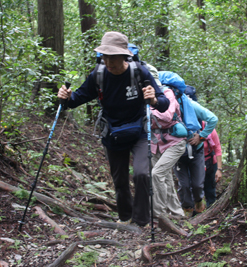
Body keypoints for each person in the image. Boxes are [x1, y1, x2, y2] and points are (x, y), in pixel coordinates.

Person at [57, 32, 169, 227]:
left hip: (139, 132)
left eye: (113, 56)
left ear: (124, 56)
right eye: (104, 56)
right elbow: (75, 100)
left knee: (142, 174)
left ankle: (142, 220)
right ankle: (125, 217)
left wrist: (153, 99)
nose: (108, 61)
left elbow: (164, 103)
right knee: (120, 180)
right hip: (113, 134)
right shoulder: (98, 75)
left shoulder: (139, 73)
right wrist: (65, 97)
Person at [146, 64, 185, 218]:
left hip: (175, 142)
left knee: (156, 174)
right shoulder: (141, 94)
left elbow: (167, 116)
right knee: (166, 178)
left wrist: (148, 109)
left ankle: (158, 213)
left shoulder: (167, 93)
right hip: (156, 144)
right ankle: (177, 213)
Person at [174, 90, 218, 217]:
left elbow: (213, 119)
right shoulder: (166, 106)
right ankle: (187, 209)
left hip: (196, 150)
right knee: (184, 185)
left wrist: (202, 136)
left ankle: (198, 200)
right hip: (177, 152)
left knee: (198, 184)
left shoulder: (191, 105)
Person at [202, 121, 223, 208]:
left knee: (210, 189)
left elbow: (217, 148)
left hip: (210, 162)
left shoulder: (208, 127)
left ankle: (211, 209)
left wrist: (219, 169)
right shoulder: (186, 128)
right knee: (195, 189)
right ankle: (195, 213)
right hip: (194, 164)